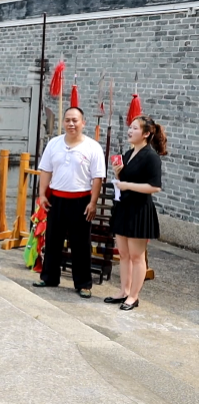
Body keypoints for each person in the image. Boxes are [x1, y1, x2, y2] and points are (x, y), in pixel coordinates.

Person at [33, 107, 106, 299]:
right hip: (56, 199)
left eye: (75, 120)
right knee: (53, 240)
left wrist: (93, 202)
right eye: (67, 120)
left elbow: (98, 177)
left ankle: (83, 284)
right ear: (63, 122)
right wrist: (42, 194)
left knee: (80, 244)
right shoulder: (54, 144)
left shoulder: (92, 147)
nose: (71, 124)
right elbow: (46, 170)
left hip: (81, 201)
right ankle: (49, 277)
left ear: (83, 123)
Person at [106, 115, 167, 311]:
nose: (130, 131)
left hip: (140, 209)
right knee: (123, 254)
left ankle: (134, 296)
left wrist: (126, 184)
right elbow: (123, 180)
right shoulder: (128, 153)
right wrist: (117, 173)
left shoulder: (151, 157)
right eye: (130, 128)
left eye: (134, 128)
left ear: (147, 134)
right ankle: (123, 291)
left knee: (136, 256)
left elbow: (155, 187)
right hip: (124, 206)